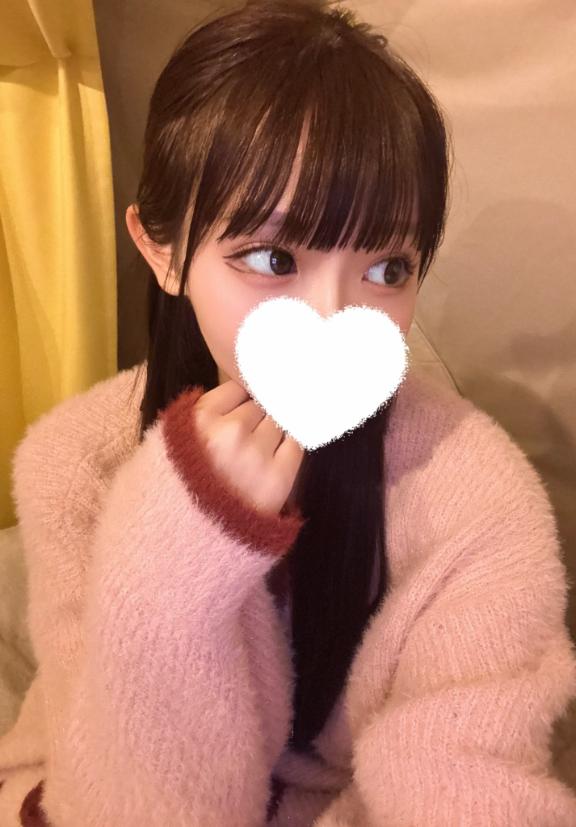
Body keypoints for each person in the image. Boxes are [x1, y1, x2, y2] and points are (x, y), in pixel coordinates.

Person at [2, 0, 576, 824]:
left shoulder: (472, 495)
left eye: (388, 269)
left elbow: (469, 782)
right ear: (161, 249)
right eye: (273, 258)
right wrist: (176, 555)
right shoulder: (79, 462)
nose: (334, 318)